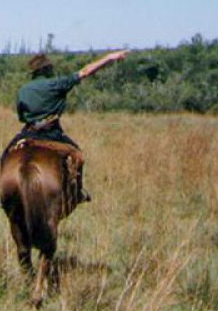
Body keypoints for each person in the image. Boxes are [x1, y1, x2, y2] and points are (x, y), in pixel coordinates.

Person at [8, 50, 129, 201]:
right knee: (78, 156)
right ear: (47, 69)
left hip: (29, 132)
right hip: (52, 133)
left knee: (6, 155)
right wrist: (109, 58)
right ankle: (77, 192)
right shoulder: (57, 83)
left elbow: (21, 116)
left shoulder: (23, 90)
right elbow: (85, 71)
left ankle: (5, 196)